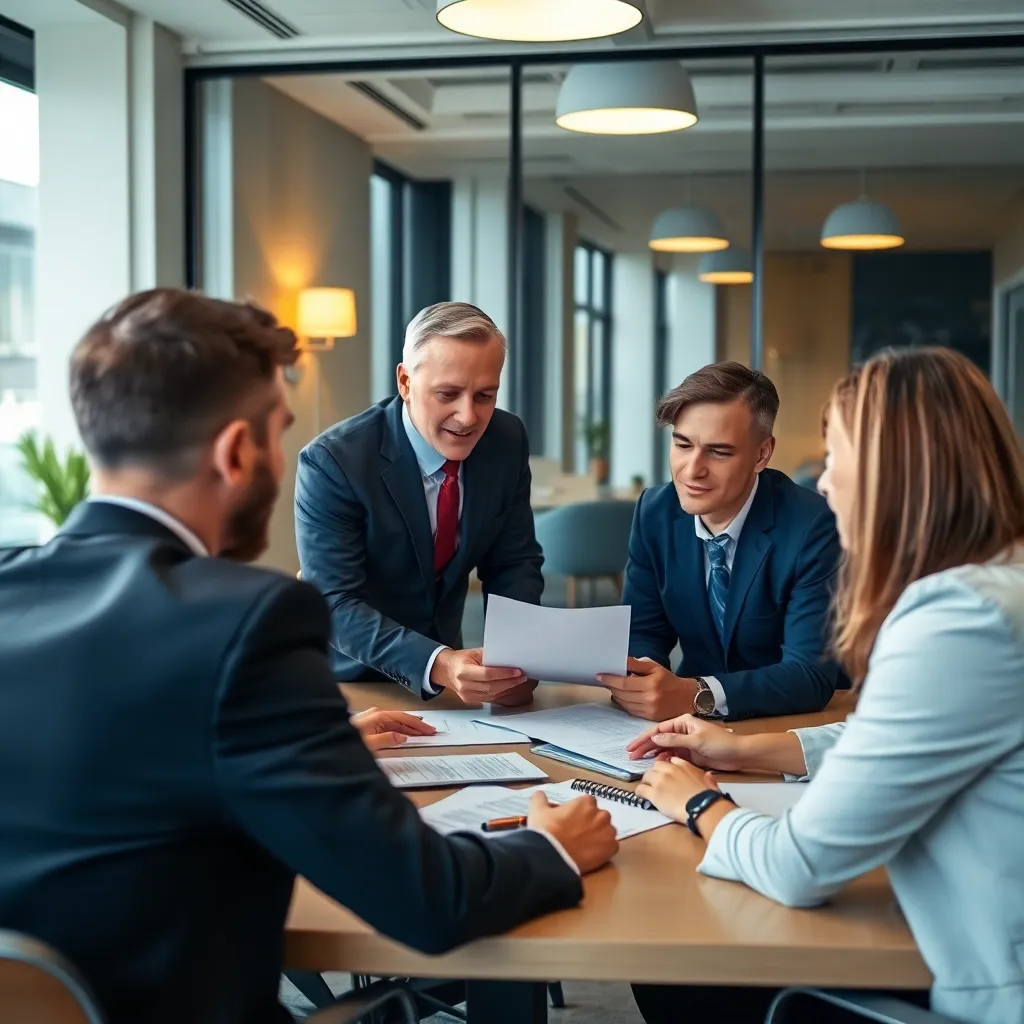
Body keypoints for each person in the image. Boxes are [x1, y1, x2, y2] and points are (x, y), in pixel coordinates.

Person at [0, 289, 619, 1024]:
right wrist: (550, 849)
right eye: (277, 430)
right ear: (238, 452)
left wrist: (298, 745)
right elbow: (425, 900)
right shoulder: (246, 627)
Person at [627, 347, 1024, 1024]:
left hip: (984, 985)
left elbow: (798, 866)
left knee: (671, 965)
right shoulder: (995, 588)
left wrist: (699, 805)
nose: (826, 484)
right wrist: (750, 751)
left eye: (836, 459)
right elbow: (904, 733)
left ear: (896, 475)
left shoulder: (957, 621)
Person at [295, 301, 543, 706]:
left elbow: (513, 562)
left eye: (485, 395)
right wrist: (440, 664)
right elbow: (334, 602)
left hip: (453, 688)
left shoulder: (506, 439)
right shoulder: (335, 462)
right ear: (405, 381)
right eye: (448, 394)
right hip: (348, 682)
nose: (468, 417)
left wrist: (515, 659)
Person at [599, 361, 842, 722]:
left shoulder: (813, 524)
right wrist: (641, 676)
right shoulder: (655, 511)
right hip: (687, 725)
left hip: (789, 723)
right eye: (682, 444)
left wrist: (695, 694)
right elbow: (644, 631)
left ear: (762, 454)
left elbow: (810, 675)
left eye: (719, 452)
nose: (692, 469)